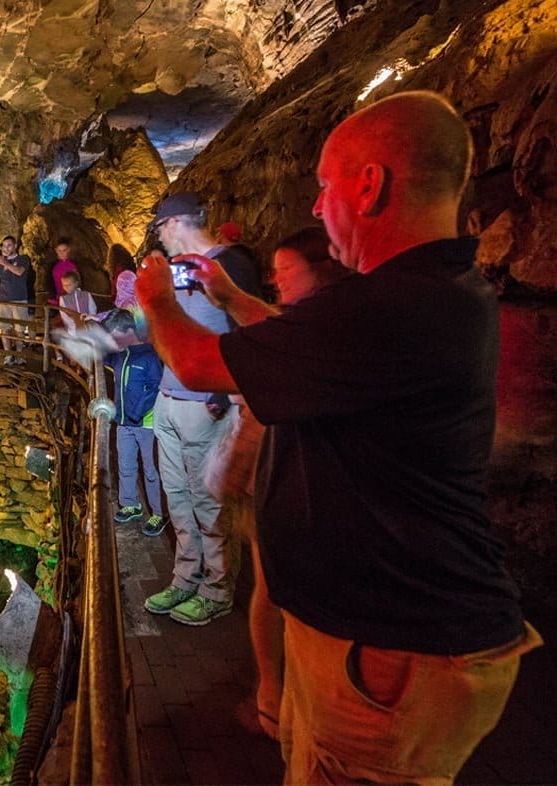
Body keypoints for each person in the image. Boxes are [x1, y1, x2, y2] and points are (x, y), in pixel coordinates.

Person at [135, 91, 540, 785]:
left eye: (325, 186)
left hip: (388, 655)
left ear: (370, 183)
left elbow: (200, 363)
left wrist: (157, 301)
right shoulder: (437, 292)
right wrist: (234, 301)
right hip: (391, 640)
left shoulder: (384, 307)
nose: (319, 208)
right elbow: (302, 346)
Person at [235, 225, 348, 741]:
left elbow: (196, 365)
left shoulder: (325, 331)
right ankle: (276, 693)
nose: (275, 279)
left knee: (280, 594)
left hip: (303, 497)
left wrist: (159, 300)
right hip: (289, 492)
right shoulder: (313, 324)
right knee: (271, 591)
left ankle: (281, 702)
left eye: (286, 271)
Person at [142, 190, 262, 625]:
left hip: (205, 406)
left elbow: (247, 330)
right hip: (170, 400)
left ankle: (217, 588)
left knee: (208, 503)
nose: (160, 237)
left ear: (175, 223)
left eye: (160, 228)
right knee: (178, 499)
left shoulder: (230, 265)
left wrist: (219, 396)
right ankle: (185, 577)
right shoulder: (177, 270)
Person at [101, 308, 167, 536]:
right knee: (126, 463)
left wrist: (138, 412)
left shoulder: (149, 356)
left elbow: (155, 387)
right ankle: (131, 503)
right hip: (123, 421)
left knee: (151, 469)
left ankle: (158, 512)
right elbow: (102, 355)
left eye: (116, 335)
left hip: (145, 423)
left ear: (129, 331)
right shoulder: (121, 353)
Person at [0, 235, 32, 366]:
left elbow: (19, 272)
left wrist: (3, 262)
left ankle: (19, 355)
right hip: (3, 300)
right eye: (4, 246)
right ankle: (8, 355)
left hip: (19, 299)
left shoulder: (23, 259)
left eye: (9, 245)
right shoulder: (1, 263)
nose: (6, 248)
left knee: (20, 329)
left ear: (15, 246)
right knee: (4, 328)